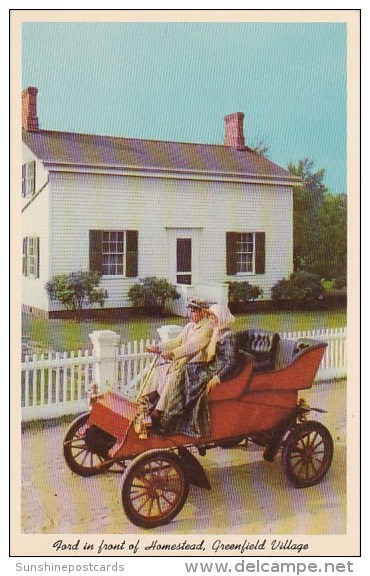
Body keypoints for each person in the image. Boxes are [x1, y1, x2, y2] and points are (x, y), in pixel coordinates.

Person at [160, 303, 236, 437]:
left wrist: (218, 377)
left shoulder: (229, 337)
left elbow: (231, 362)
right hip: (211, 366)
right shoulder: (217, 333)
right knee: (187, 370)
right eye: (210, 317)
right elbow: (209, 355)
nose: (211, 320)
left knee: (188, 375)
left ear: (221, 318)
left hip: (219, 370)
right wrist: (216, 332)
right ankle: (171, 417)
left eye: (213, 318)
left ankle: (172, 420)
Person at [143, 298, 213, 420]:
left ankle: (160, 411)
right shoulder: (190, 326)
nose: (191, 314)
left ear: (203, 312)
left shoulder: (207, 328)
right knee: (158, 371)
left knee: (172, 377)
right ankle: (147, 401)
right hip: (184, 363)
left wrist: (172, 353)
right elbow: (177, 341)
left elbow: (194, 346)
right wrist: (158, 347)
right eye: (190, 310)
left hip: (198, 366)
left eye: (194, 311)